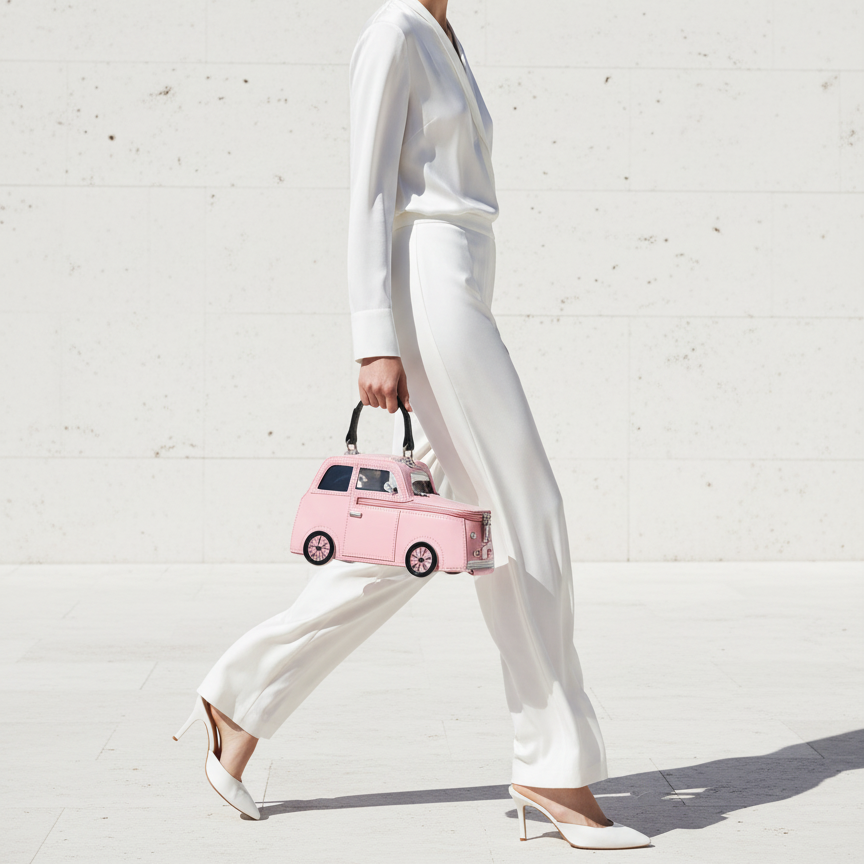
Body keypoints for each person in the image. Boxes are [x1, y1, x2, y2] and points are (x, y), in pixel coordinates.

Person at [174, 0, 650, 850]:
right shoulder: (392, 31)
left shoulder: (445, 36)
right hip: (428, 274)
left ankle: (239, 698)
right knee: (525, 509)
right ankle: (553, 765)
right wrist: (373, 340)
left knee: (439, 529)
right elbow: (367, 188)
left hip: (464, 273)